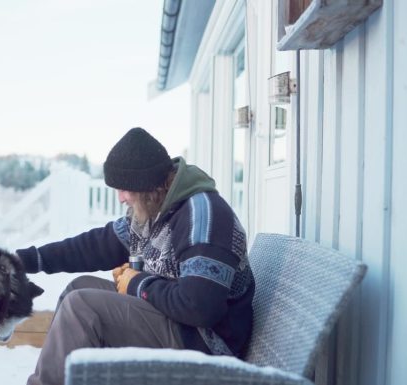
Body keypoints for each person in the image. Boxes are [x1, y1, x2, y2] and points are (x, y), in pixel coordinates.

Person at [16, 127, 254, 385]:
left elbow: (199, 307)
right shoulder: (153, 209)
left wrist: (138, 284)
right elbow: (94, 246)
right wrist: (26, 261)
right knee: (79, 288)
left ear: (147, 185)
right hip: (178, 323)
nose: (120, 199)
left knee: (82, 308)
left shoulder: (204, 219)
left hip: (205, 344)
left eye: (124, 189)